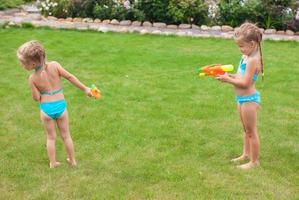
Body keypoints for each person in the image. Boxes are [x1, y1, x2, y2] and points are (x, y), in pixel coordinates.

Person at [17, 40, 92, 168]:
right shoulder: (55, 65)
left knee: (51, 137)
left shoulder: (32, 78)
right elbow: (70, 77)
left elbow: (36, 98)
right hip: (61, 107)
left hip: (46, 109)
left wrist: (34, 88)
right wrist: (85, 88)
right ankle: (73, 161)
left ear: (33, 63)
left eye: (24, 63)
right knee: (66, 135)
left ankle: (53, 163)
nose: (23, 66)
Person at [216, 22, 264, 170]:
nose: (240, 49)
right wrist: (229, 75)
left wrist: (228, 80)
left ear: (252, 44)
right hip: (241, 99)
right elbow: (240, 75)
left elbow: (245, 84)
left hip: (249, 100)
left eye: (242, 46)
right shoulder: (245, 57)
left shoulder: (253, 60)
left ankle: (254, 162)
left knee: (252, 131)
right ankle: (245, 154)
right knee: (246, 130)